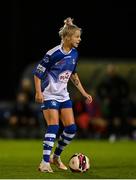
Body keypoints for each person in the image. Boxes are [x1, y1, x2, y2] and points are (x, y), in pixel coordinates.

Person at [33, 17, 92, 173]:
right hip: (49, 94)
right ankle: (44, 163)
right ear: (67, 37)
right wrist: (38, 92)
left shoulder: (74, 54)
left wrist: (84, 93)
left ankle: (55, 157)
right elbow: (37, 74)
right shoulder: (53, 53)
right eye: (77, 36)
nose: (79, 39)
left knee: (71, 129)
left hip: (63, 95)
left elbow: (73, 75)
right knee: (54, 126)